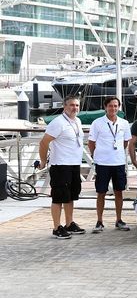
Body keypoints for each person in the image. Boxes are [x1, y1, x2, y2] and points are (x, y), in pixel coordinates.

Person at [39, 95, 85, 239]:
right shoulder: (58, 122)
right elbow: (44, 142)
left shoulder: (77, 120)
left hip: (74, 164)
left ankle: (69, 223)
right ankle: (56, 227)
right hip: (60, 165)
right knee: (58, 197)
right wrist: (42, 161)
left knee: (70, 196)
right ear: (65, 107)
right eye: (71, 105)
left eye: (77, 105)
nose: (74, 108)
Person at [87, 96, 132, 233]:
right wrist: (97, 155)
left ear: (119, 107)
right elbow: (91, 143)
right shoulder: (97, 123)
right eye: (110, 106)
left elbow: (125, 142)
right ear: (105, 107)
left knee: (119, 192)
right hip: (102, 163)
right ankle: (99, 221)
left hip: (118, 162)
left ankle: (119, 219)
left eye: (115, 106)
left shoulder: (124, 123)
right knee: (101, 192)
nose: (113, 108)